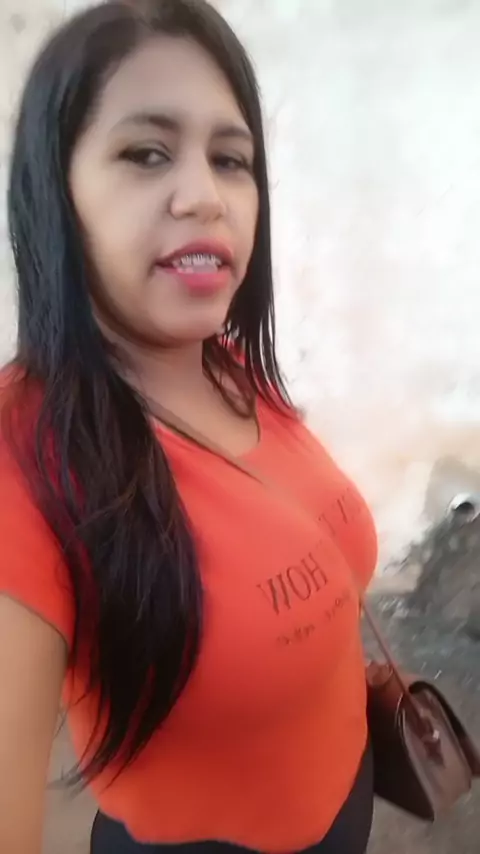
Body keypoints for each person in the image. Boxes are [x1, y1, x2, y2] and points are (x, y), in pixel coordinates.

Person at [0, 1, 378, 852]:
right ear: (56, 192)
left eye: (231, 159)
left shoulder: (228, 365)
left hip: (346, 808)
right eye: (146, 153)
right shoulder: (21, 460)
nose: (206, 195)